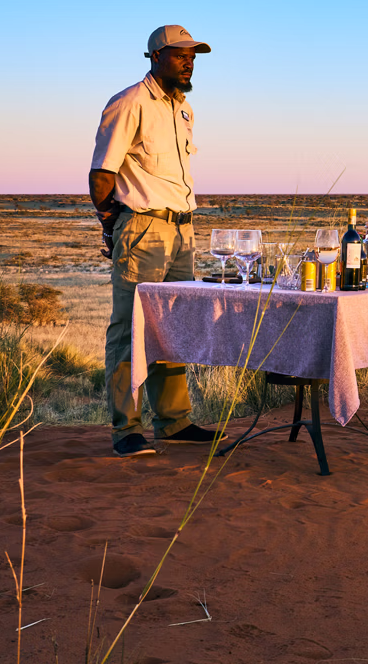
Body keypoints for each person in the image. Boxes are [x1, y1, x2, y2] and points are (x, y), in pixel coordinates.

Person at [89, 25, 225, 457]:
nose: (189, 61)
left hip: (183, 229)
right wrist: (114, 225)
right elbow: (102, 175)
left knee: (173, 329)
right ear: (155, 56)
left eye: (193, 56)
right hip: (144, 227)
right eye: (181, 54)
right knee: (129, 329)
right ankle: (126, 429)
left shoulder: (183, 110)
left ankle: (175, 422)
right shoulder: (130, 103)